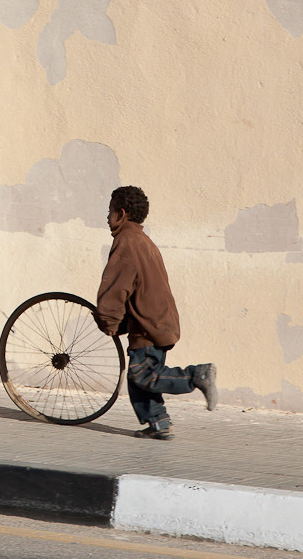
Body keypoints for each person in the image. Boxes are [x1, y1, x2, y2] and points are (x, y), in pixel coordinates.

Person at [94, 185, 216, 441]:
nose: (107, 218)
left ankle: (195, 375)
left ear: (122, 214)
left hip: (149, 323)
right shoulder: (143, 240)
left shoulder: (126, 242)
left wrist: (108, 319)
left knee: (142, 374)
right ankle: (158, 423)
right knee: (138, 376)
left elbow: (117, 286)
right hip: (155, 320)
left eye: (109, 212)